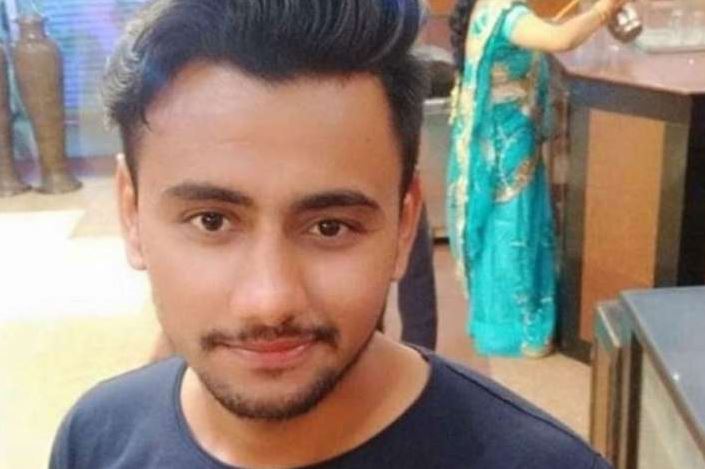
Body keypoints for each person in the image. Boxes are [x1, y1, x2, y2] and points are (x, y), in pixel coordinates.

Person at [50, 1, 612, 468]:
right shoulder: (96, 440)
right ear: (131, 214)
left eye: (330, 226)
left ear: (405, 226)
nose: (270, 301)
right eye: (211, 221)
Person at [446, 0, 627, 357]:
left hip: (496, 141)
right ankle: (523, 329)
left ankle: (499, 323)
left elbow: (548, 34)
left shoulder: (490, 9)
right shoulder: (509, 17)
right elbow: (561, 40)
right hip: (508, 145)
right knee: (515, 229)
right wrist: (604, 9)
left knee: (502, 230)